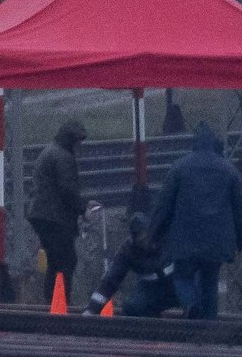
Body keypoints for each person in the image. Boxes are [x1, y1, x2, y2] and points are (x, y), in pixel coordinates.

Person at [146, 122, 242, 320]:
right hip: (217, 243)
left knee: (182, 277)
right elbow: (241, 209)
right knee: (210, 283)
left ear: (194, 144)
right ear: (215, 145)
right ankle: (210, 325)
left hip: (185, 241)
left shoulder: (179, 168)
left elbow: (164, 205)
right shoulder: (229, 171)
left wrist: (153, 235)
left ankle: (191, 306)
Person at [27, 119, 89, 309]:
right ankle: (60, 304)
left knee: (56, 261)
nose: (80, 145)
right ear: (71, 140)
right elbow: (67, 190)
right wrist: (83, 208)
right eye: (78, 141)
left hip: (43, 215)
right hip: (54, 218)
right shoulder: (63, 157)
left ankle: (54, 303)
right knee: (65, 261)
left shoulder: (51, 151)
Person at [87, 188, 176, 317]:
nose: (146, 242)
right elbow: (110, 280)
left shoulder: (168, 237)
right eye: (141, 239)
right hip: (150, 288)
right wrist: (91, 310)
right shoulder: (128, 250)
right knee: (132, 307)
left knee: (193, 301)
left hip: (176, 282)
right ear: (134, 240)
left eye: (147, 237)